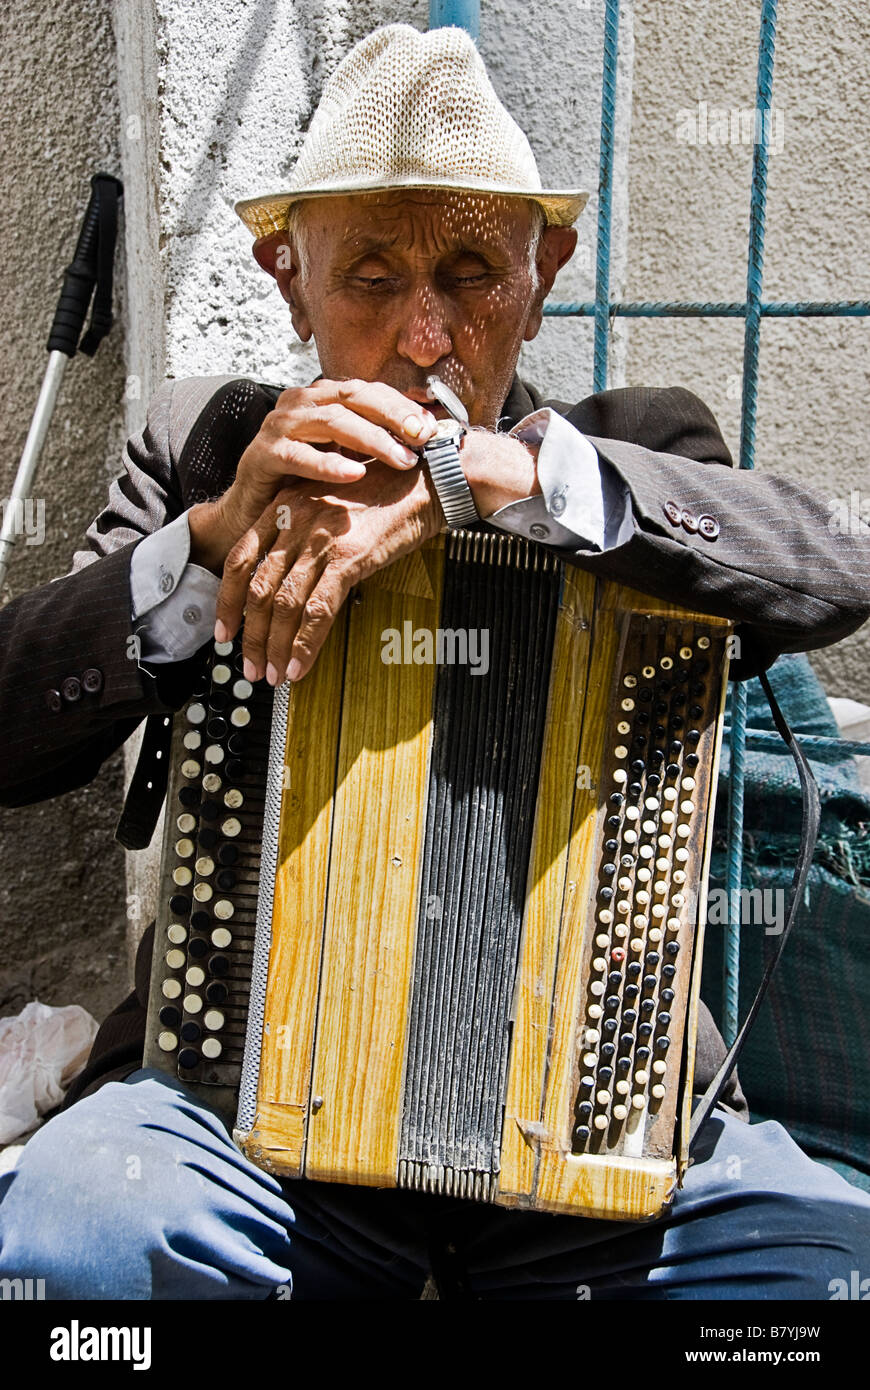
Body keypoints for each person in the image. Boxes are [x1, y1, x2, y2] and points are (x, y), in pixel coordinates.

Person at [1, 23, 868, 1301]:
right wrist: (205, 547)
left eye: (472, 272)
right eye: (369, 278)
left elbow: (834, 561)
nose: (425, 334)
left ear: (546, 270)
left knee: (828, 1280)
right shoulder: (200, 449)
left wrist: (494, 478)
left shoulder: (630, 447)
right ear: (286, 279)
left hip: (593, 1132)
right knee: (68, 1255)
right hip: (243, 1129)